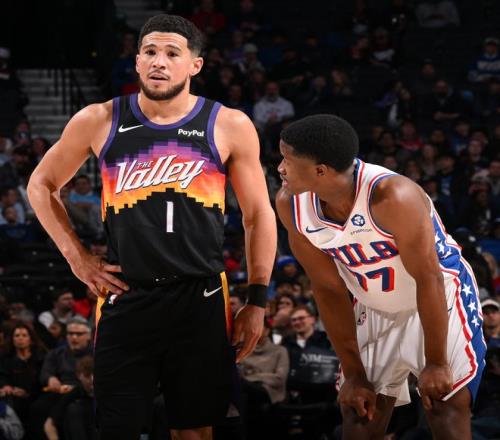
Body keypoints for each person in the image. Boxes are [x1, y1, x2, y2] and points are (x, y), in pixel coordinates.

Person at [27, 14, 276, 440]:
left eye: (172, 53)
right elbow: (41, 185)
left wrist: (256, 300)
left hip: (200, 297)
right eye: (150, 52)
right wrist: (78, 259)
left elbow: (258, 215)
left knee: (195, 432)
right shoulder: (99, 119)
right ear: (138, 61)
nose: (159, 61)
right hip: (127, 296)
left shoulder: (229, 124)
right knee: (117, 430)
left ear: (195, 65)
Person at [275, 114, 486, 439]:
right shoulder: (290, 205)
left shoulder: (394, 196)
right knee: (359, 413)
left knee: (444, 406)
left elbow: (428, 278)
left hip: (438, 297)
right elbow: (328, 289)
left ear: (320, 171)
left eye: (287, 160)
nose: (280, 168)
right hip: (373, 304)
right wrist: (354, 374)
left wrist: (436, 362)